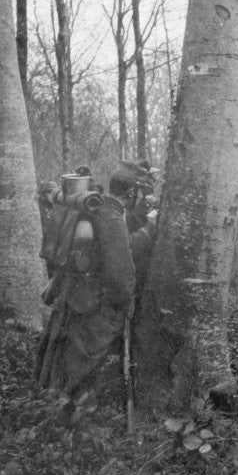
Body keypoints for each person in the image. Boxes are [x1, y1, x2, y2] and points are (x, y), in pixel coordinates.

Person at [33, 160, 154, 397]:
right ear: (131, 192)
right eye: (143, 193)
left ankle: (55, 404)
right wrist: (123, 306)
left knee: (66, 361)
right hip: (91, 306)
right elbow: (121, 278)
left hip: (74, 297)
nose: (143, 198)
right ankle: (71, 416)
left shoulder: (100, 208)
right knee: (81, 367)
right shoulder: (111, 219)